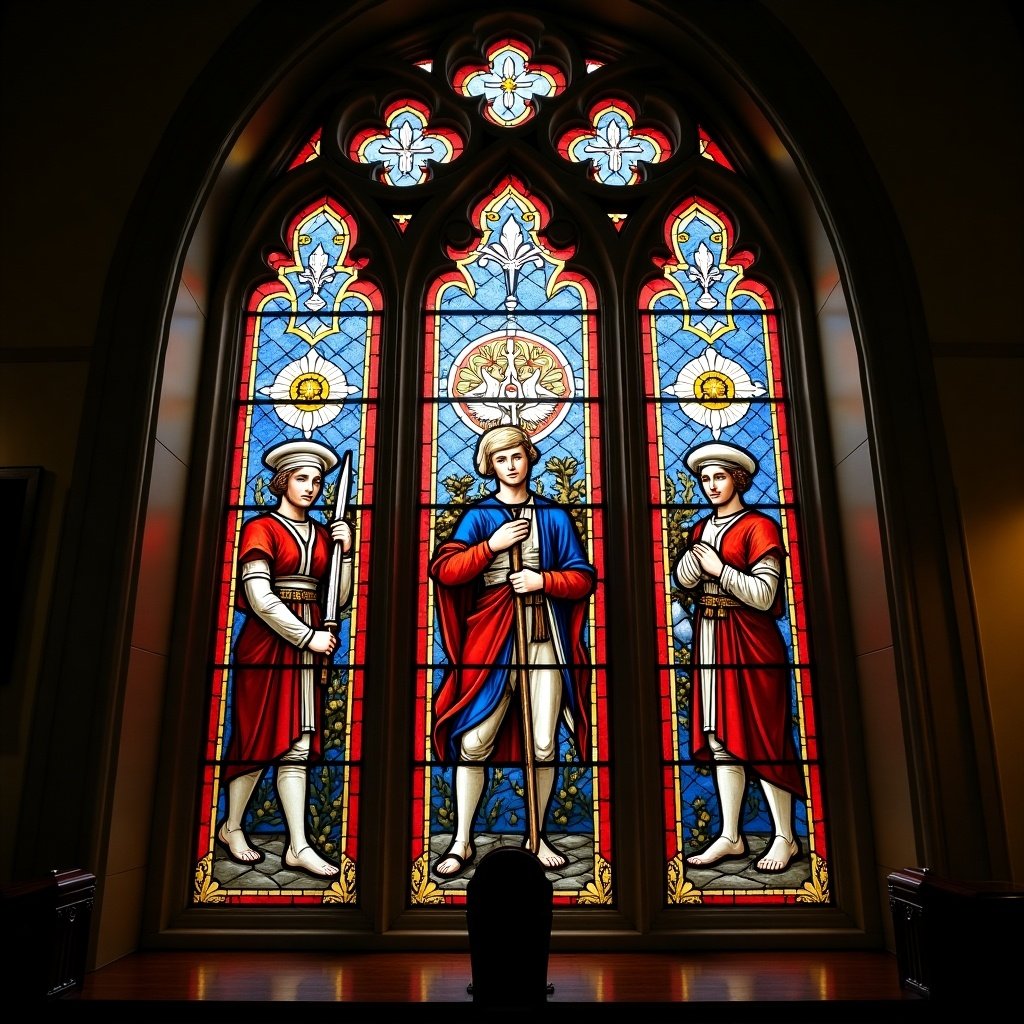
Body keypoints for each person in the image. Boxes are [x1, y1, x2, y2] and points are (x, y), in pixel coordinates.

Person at [429, 425, 595, 877]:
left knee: (543, 743)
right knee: (474, 739)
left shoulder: (554, 517)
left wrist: (544, 581)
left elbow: (583, 577)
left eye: (517, 457)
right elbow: (445, 570)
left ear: (529, 458)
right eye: (501, 460)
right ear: (490, 467)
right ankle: (461, 841)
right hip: (492, 638)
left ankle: (536, 838)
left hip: (543, 637)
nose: (511, 466)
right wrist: (492, 546)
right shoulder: (481, 516)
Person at [217, 439, 353, 878]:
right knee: (257, 738)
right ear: (282, 481)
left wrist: (344, 554)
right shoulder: (261, 528)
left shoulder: (321, 533)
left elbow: (340, 598)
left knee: (299, 743)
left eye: (317, 481)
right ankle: (233, 827)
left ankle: (297, 845)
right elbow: (258, 597)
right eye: (302, 479)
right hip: (267, 644)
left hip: (312, 639)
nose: (311, 487)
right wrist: (305, 637)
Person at [673, 441, 805, 874]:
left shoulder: (759, 527)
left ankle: (785, 837)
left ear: (738, 479)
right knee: (720, 739)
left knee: (763, 738)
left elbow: (766, 596)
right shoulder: (700, 530)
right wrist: (692, 569)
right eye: (705, 478)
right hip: (711, 636)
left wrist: (719, 571)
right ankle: (731, 835)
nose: (711, 486)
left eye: (720, 477)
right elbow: (686, 581)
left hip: (752, 640)